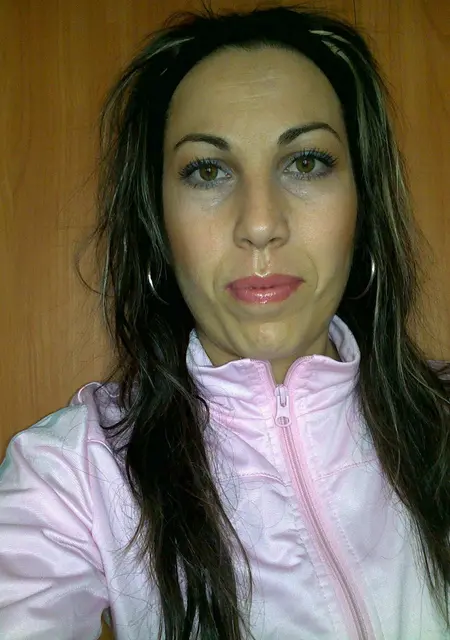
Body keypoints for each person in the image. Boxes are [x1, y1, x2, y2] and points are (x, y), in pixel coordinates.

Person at [0, 3, 449, 639]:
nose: (260, 223)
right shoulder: (73, 476)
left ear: (362, 204)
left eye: (306, 162)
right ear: (159, 224)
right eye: (207, 171)